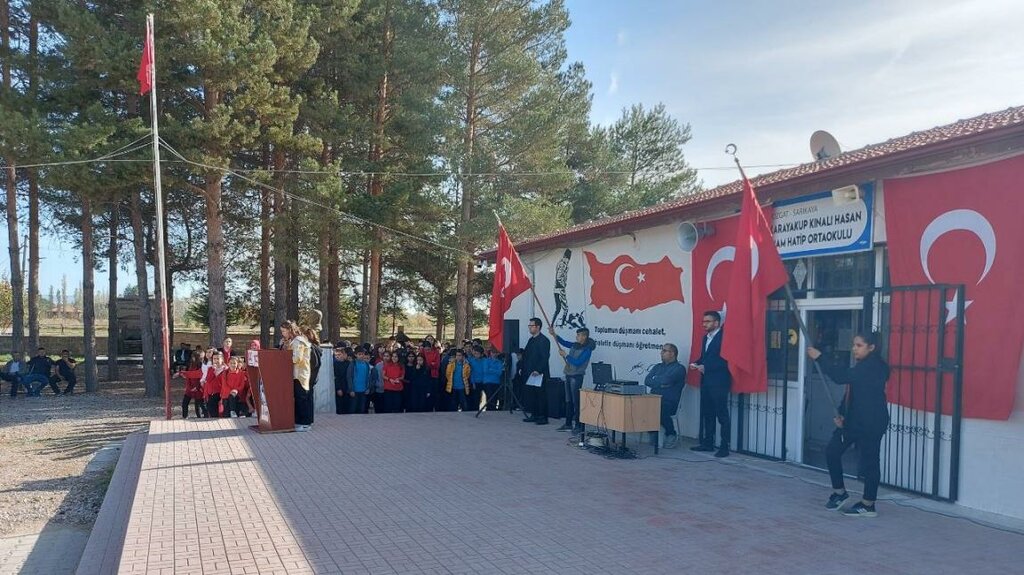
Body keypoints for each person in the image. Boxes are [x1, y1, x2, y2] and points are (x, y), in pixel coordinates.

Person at [807, 331, 891, 518]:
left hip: (872, 422)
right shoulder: (862, 366)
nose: (854, 348)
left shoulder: (875, 367)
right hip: (853, 421)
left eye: (859, 345)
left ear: (872, 347)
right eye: (854, 345)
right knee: (832, 451)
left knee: (870, 461)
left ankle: (868, 505)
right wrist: (842, 413)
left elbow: (840, 377)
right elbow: (852, 392)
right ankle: (840, 493)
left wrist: (819, 357)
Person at [689, 311, 731, 457]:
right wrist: (697, 363)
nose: (704, 324)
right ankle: (708, 443)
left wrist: (707, 367)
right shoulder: (705, 338)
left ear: (716, 323)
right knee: (708, 413)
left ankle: (725, 446)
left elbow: (725, 360)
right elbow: (704, 357)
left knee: (722, 414)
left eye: (708, 321)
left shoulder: (724, 337)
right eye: (703, 321)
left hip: (719, 381)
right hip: (706, 381)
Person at [550, 326, 595, 433]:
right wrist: (555, 335)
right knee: (568, 400)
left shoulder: (587, 350)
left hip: (577, 377)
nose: (577, 337)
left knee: (576, 401)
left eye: (579, 335)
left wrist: (566, 355)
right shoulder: (575, 345)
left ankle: (578, 426)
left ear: (584, 336)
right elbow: (564, 343)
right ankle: (568, 423)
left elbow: (578, 362)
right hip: (569, 375)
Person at [645, 344, 687, 448]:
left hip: (669, 401)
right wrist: (661, 383)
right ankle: (652, 432)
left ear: (672, 354)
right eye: (662, 351)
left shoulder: (679, 368)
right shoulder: (658, 366)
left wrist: (657, 380)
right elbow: (647, 380)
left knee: (660, 407)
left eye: (664, 351)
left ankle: (671, 433)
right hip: (654, 398)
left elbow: (667, 380)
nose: (661, 353)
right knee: (642, 405)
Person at [281, 321, 314, 430]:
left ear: (290, 330)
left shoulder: (298, 341)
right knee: (300, 398)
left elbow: (297, 358)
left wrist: (284, 358)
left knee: (301, 398)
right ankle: (302, 422)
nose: (283, 334)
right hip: (296, 374)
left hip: (300, 374)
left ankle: (303, 423)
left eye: (284, 331)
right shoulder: (293, 341)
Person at [521, 317, 552, 425]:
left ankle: (543, 417)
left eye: (531, 326)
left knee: (541, 395)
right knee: (532, 395)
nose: (529, 328)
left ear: (538, 327)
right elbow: (527, 355)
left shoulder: (544, 340)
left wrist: (538, 370)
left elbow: (544, 357)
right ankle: (534, 415)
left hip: (539, 373)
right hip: (529, 373)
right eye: (529, 326)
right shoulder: (531, 339)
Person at [175, 351, 206, 418]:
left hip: (198, 388)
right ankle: (185, 417)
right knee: (184, 403)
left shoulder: (201, 365)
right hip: (190, 387)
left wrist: (197, 387)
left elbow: (200, 377)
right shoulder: (191, 364)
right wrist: (189, 387)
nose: (192, 358)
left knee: (199, 405)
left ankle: (203, 417)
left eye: (194, 357)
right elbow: (189, 375)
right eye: (192, 356)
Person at [346, 348, 373, 414]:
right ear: (355, 355)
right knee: (353, 409)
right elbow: (349, 377)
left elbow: (368, 377)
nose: (361, 356)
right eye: (359, 354)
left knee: (362, 409)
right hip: (354, 391)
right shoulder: (353, 364)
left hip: (363, 390)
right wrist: (351, 389)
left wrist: (368, 388)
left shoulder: (366, 365)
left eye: (363, 354)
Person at [201, 350, 228, 417]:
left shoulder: (226, 369)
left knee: (220, 411)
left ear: (222, 359)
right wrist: (213, 370)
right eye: (214, 359)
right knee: (211, 410)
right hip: (210, 392)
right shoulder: (211, 368)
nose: (216, 360)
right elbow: (208, 380)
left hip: (220, 392)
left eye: (218, 358)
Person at [333, 346, 352, 414]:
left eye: (339, 355)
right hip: (340, 387)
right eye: (336, 355)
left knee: (347, 406)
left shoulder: (348, 363)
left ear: (344, 355)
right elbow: (336, 377)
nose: (337, 356)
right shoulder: (334, 364)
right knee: (340, 407)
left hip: (347, 387)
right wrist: (338, 388)